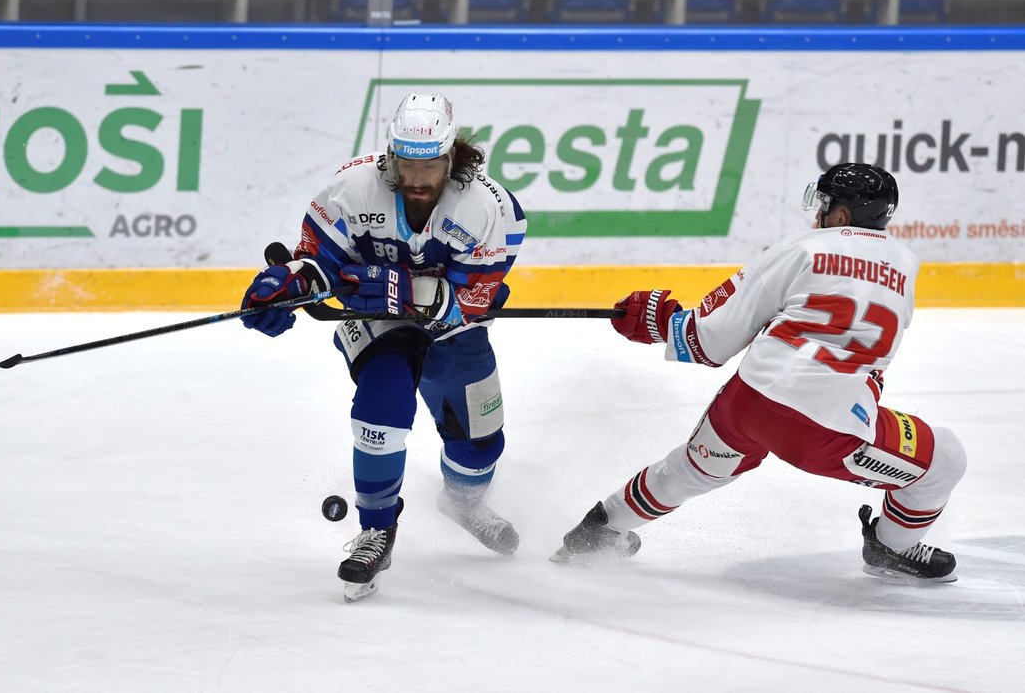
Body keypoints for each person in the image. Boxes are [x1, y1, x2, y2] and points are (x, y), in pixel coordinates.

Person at [552, 163, 967, 583]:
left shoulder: (799, 248)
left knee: (692, 470)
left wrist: (664, 322)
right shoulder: (905, 264)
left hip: (749, 403)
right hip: (826, 428)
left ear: (841, 215)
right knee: (945, 457)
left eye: (825, 204)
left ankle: (598, 531)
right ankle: (890, 547)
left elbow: (712, 341)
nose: (818, 213)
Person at [240, 92, 528, 602]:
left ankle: (463, 502)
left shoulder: (490, 208)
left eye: (431, 167)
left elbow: (469, 299)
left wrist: (394, 285)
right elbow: (317, 263)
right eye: (405, 165)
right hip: (372, 323)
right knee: (383, 400)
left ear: (451, 157)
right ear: (391, 156)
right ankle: (376, 530)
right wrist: (284, 286)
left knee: (479, 441)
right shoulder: (352, 188)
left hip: (452, 330)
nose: (417, 180)